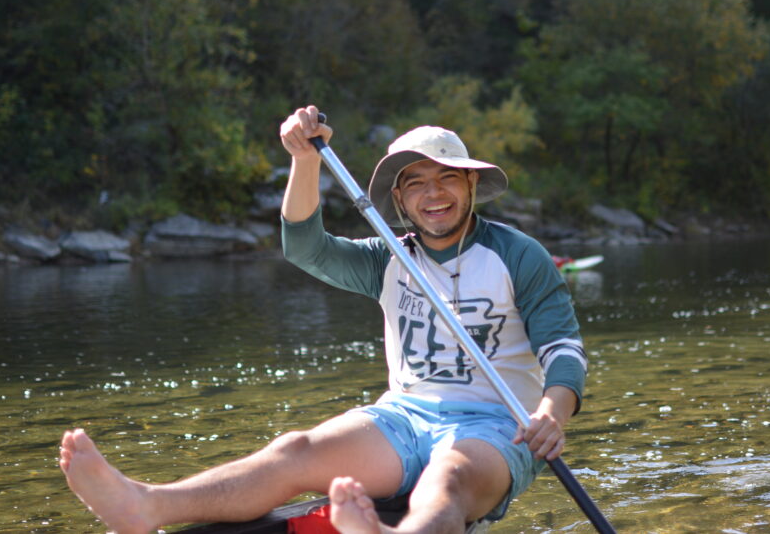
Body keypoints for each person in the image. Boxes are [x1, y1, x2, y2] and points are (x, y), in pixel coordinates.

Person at [58, 105, 587, 534]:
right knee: (294, 449)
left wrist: (550, 415)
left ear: (471, 186)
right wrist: (304, 160)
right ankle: (147, 505)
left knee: (446, 479)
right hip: (405, 416)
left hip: (496, 428)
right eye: (417, 182)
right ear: (398, 199)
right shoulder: (388, 259)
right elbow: (305, 247)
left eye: (448, 178)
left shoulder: (518, 256)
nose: (434, 193)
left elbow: (563, 352)